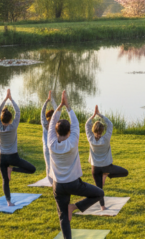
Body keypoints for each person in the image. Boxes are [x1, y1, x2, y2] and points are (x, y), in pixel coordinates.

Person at [49, 91, 105, 239]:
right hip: (73, 184)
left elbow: (52, 124)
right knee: (100, 193)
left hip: (58, 186)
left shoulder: (51, 143)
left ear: (55, 131)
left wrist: (59, 107)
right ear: (69, 132)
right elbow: (75, 123)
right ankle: (74, 207)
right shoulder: (73, 142)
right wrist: (67, 106)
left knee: (63, 217)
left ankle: (70, 213)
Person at [0, 89, 36, 206]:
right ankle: (12, 169)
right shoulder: (13, 126)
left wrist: (5, 99)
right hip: (13, 157)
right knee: (32, 169)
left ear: (2, 119)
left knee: (5, 180)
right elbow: (18, 111)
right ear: (10, 119)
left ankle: (8, 202)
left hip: (2, 158)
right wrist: (11, 99)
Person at [85, 104, 129, 210]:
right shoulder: (106, 138)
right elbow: (110, 124)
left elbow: (87, 125)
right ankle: (107, 174)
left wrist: (93, 115)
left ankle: (102, 207)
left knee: (99, 188)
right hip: (107, 167)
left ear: (93, 130)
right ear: (102, 130)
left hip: (95, 168)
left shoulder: (90, 138)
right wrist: (100, 115)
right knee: (125, 172)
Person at [41, 90, 58, 185]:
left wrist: (47, 101)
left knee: (48, 165)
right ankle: (55, 182)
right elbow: (56, 111)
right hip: (54, 147)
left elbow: (42, 113)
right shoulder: (56, 124)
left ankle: (52, 183)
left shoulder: (45, 124)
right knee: (55, 165)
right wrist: (52, 100)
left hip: (47, 148)